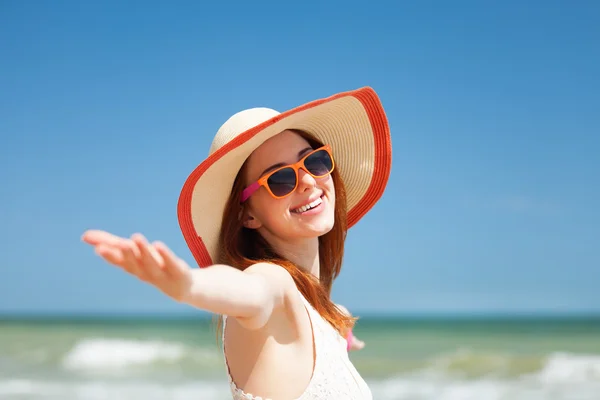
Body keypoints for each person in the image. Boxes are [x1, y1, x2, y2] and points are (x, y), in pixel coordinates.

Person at [82, 86, 392, 400]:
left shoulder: (320, 312)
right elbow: (251, 291)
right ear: (247, 215)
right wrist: (189, 285)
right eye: (281, 180)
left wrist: (340, 330)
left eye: (314, 162)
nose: (309, 181)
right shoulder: (273, 283)